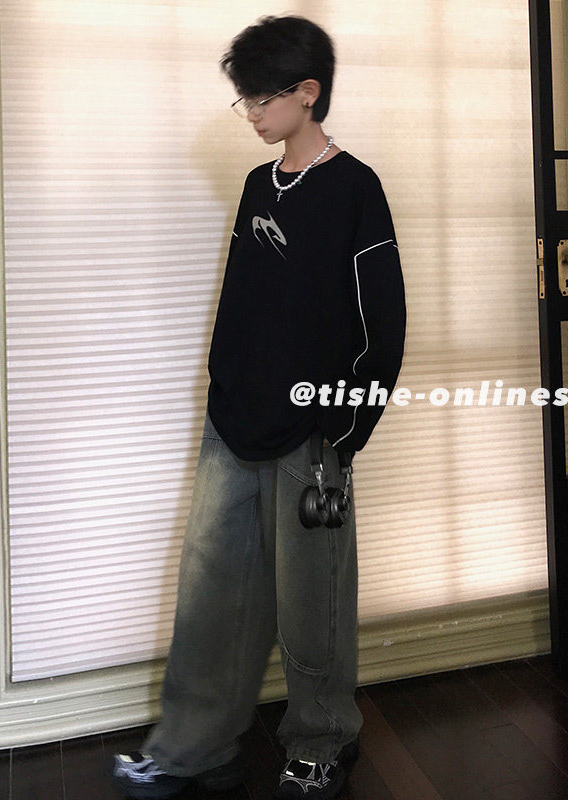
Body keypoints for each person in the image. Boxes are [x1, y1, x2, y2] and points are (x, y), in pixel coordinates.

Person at [112, 14, 405, 800]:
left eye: (260, 98)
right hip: (234, 425)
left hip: (314, 433)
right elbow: (242, 302)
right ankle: (194, 746)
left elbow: (383, 321)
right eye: (242, 99)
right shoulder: (256, 186)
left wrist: (345, 428)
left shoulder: (355, 188)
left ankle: (321, 741)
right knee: (211, 593)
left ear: (307, 93)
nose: (249, 112)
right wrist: (224, 386)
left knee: (314, 596)